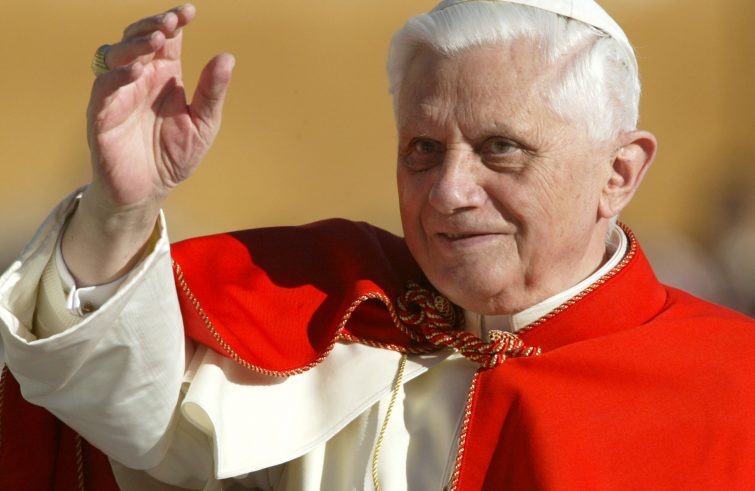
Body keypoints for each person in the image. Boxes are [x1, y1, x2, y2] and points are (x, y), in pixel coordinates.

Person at [1, 0, 754, 490]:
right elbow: (115, 408)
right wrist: (122, 211)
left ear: (617, 174)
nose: (449, 191)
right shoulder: (336, 310)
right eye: (423, 149)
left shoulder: (731, 383)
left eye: (500, 148)